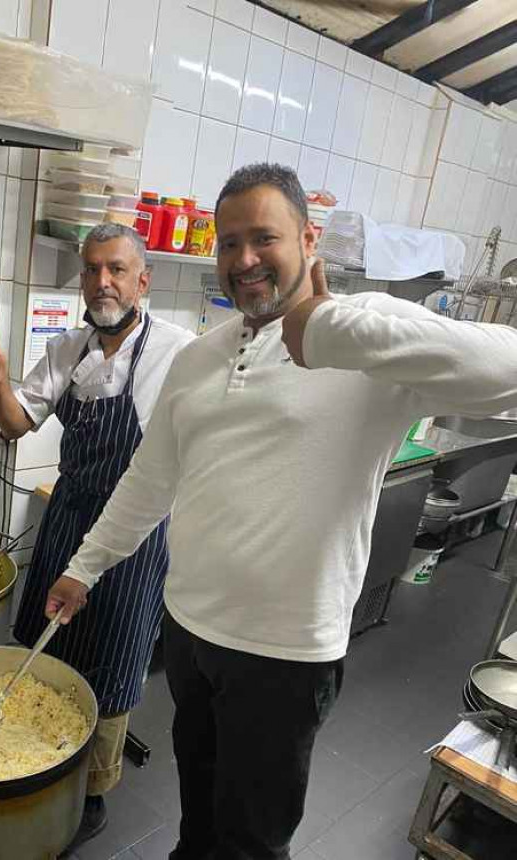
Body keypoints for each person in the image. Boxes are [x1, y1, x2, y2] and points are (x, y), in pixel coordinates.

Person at [41, 164, 517, 859]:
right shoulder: (200, 358)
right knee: (198, 817)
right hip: (191, 630)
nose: (245, 260)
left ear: (308, 238)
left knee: (253, 838)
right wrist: (82, 570)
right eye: (228, 243)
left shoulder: (364, 331)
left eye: (264, 237)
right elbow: (149, 480)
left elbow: (507, 370)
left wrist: (331, 329)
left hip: (286, 652)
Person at [0, 222, 194, 846]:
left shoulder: (181, 351)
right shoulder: (68, 347)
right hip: (69, 514)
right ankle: (40, 753)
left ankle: (92, 793)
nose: (102, 281)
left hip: (137, 528)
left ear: (142, 279)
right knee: (47, 637)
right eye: (92, 269)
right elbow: (16, 424)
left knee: (116, 660)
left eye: (117, 269)